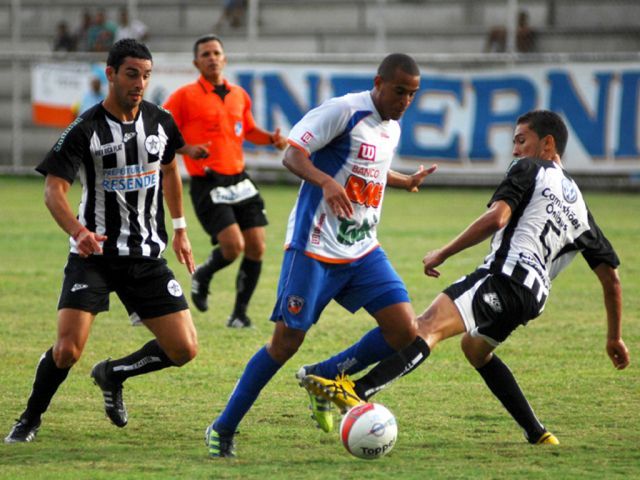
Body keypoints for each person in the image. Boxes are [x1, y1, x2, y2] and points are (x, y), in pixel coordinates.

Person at [301, 110, 630, 446]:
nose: (515, 151)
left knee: (426, 327)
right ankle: (538, 432)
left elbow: (497, 218)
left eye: (521, 140)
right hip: (532, 298)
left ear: (547, 144)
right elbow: (611, 279)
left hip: (503, 277)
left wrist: (443, 252)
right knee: (476, 350)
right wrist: (614, 338)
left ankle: (353, 390)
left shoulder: (529, 168)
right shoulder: (581, 210)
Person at [204, 53, 438, 457]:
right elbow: (292, 154)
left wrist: (404, 181)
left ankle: (325, 376)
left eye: (413, 95)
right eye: (400, 91)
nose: (405, 101)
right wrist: (326, 181)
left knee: (404, 330)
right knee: (285, 343)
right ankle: (222, 428)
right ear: (378, 82)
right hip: (313, 248)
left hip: (363, 249)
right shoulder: (343, 111)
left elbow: (372, 172)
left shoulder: (391, 128)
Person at [4, 39, 198, 444]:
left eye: (146, 75)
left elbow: (170, 171)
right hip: (93, 255)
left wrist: (180, 228)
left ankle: (112, 374)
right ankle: (29, 419)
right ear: (109, 74)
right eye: (132, 74)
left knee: (183, 349)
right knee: (66, 351)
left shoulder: (160, 121)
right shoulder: (84, 128)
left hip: (145, 255)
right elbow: (53, 191)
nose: (140, 83)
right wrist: (79, 232)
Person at [163, 34, 287, 328]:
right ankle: (203, 275)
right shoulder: (184, 96)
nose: (212, 57)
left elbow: (249, 130)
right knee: (232, 246)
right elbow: (160, 128)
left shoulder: (239, 95)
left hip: (239, 179)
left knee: (257, 245)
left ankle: (239, 315)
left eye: (217, 52)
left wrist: (271, 139)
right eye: (205, 54)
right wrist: (186, 149)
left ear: (225, 58)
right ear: (196, 62)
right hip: (207, 181)